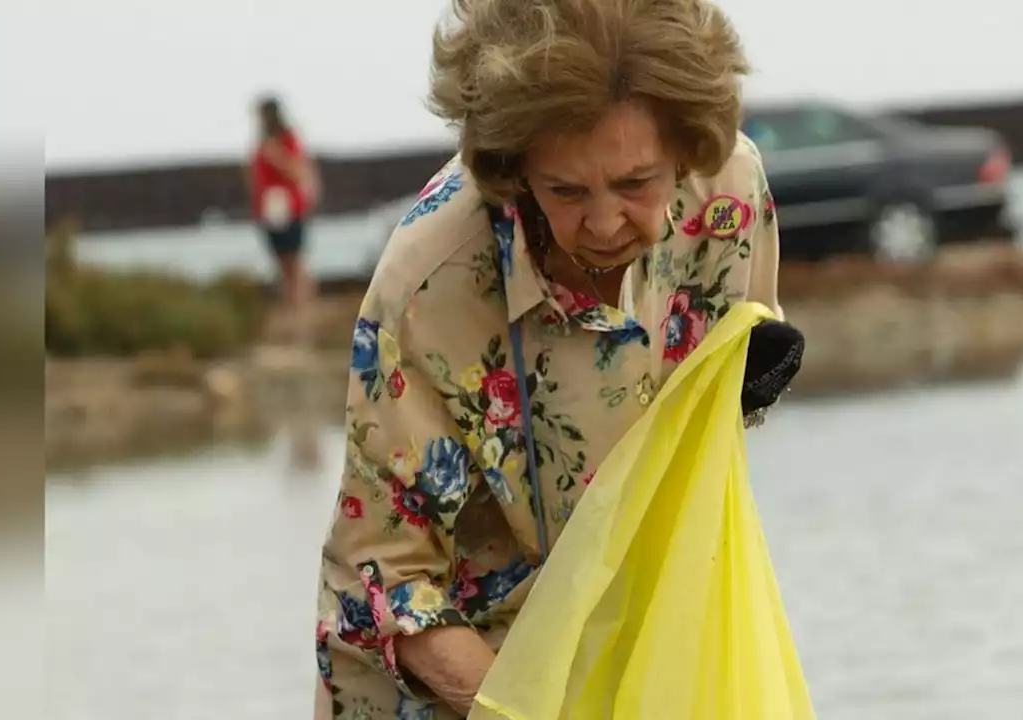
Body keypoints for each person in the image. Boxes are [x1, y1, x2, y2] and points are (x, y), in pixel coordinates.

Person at [314, 1, 804, 717]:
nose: (603, 224)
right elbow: (385, 577)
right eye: (566, 191)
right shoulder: (432, 282)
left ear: (684, 150)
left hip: (643, 651)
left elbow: (699, 434)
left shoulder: (726, 197)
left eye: (636, 183)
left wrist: (747, 393)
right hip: (459, 675)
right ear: (514, 169)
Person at [248, 96, 320, 344]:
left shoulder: (286, 139)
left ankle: (302, 318)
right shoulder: (262, 142)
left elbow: (299, 170)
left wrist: (276, 157)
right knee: (282, 264)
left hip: (290, 208)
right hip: (270, 211)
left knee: (296, 262)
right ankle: (290, 316)